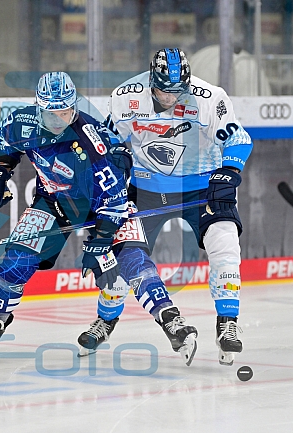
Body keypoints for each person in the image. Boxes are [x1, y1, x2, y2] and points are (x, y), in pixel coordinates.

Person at [92, 48, 253, 366]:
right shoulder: (125, 96)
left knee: (224, 243)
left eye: (178, 91)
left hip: (201, 188)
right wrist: (116, 156)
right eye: (164, 90)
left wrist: (230, 171)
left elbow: (238, 138)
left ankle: (228, 322)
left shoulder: (210, 97)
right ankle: (105, 320)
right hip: (146, 189)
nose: (171, 97)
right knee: (123, 257)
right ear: (151, 81)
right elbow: (105, 139)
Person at [0, 72, 130, 360]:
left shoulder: (92, 140)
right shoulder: (21, 122)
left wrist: (101, 239)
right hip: (52, 201)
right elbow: (9, 143)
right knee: (16, 260)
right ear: (39, 107)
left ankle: (106, 320)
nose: (59, 119)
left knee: (112, 274)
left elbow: (115, 196)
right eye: (52, 113)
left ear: (74, 106)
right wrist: (1, 168)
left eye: (66, 111)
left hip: (99, 206)